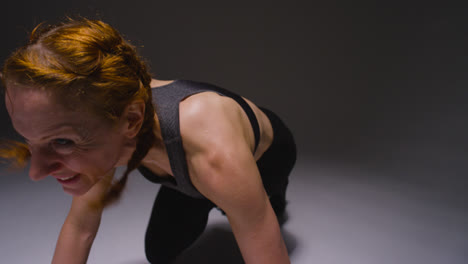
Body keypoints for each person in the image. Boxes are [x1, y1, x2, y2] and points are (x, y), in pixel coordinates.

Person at [0, 18, 296, 264]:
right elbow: (80, 228)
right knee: (160, 252)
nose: (36, 172)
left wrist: (251, 212)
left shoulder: (213, 151)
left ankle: (275, 198)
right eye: (31, 142)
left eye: (62, 142)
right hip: (187, 173)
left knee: (250, 206)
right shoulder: (101, 129)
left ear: (132, 121)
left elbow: (259, 234)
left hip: (268, 156)